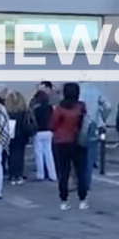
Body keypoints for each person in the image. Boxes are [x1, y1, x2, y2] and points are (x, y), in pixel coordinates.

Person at [51, 83, 89, 211]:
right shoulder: (81, 106)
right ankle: (83, 199)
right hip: (78, 141)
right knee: (80, 171)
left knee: (64, 172)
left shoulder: (59, 108)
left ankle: (64, 200)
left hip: (61, 141)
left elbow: (53, 124)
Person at [79, 82, 112, 189]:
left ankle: (79, 180)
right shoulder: (97, 91)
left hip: (80, 125)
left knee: (78, 155)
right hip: (94, 125)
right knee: (90, 156)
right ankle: (87, 182)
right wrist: (102, 118)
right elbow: (108, 106)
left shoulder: (78, 91)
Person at [6, 91, 36, 185]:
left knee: (11, 155)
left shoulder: (8, 112)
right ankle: (18, 175)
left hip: (11, 134)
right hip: (23, 134)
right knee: (20, 155)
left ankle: (12, 175)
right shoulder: (25, 111)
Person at [31, 91, 58, 181]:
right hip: (49, 131)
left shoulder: (36, 109)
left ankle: (40, 174)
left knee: (39, 154)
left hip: (38, 132)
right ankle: (52, 174)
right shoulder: (51, 108)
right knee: (49, 153)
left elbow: (33, 120)